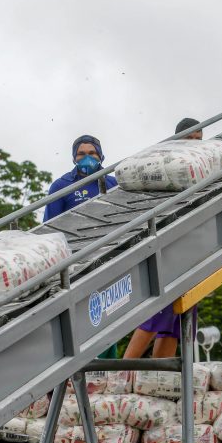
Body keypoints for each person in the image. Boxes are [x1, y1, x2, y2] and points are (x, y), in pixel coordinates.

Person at [123, 118, 202, 359]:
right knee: (156, 313)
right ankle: (123, 373)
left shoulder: (202, 165)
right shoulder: (165, 163)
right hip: (165, 246)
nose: (193, 144)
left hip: (191, 248)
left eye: (198, 140)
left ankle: (157, 378)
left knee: (178, 318)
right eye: (189, 138)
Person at [43, 135, 117, 221]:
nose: (87, 158)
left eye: (92, 153)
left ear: (100, 156)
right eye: (81, 154)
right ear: (74, 159)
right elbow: (49, 226)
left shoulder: (114, 183)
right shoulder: (61, 186)